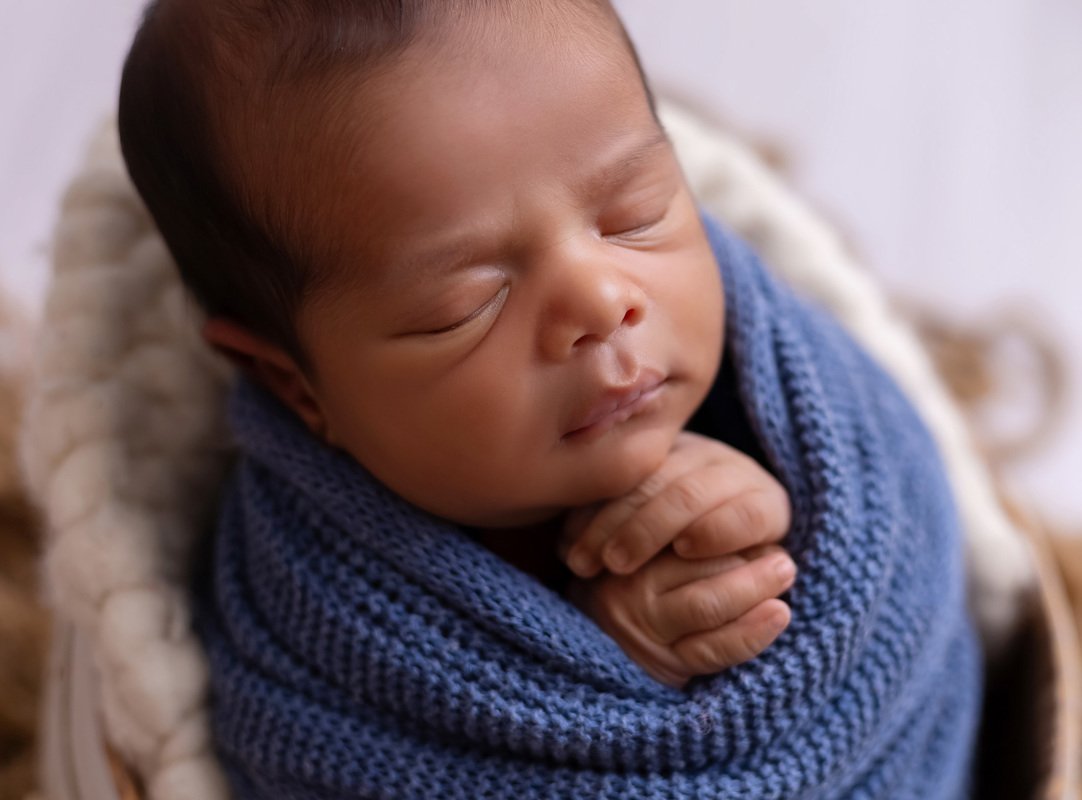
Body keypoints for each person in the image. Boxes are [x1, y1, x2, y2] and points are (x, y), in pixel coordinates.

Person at [117, 1, 981, 798]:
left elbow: (893, 551)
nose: (604, 302)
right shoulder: (313, 622)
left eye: (633, 213)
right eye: (466, 304)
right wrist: (627, 651)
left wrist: (763, 539)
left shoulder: (790, 394)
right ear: (297, 386)